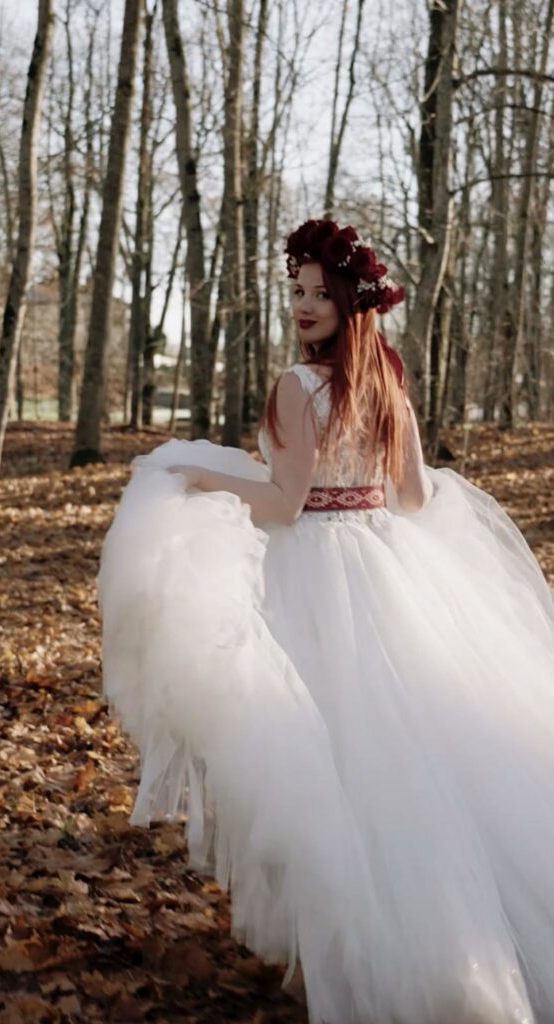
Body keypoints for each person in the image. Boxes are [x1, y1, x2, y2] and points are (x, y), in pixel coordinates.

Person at [99, 219, 554, 1024]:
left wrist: (198, 475)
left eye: (319, 293)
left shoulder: (296, 386)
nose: (303, 305)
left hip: (313, 573)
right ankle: (428, 943)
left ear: (350, 301)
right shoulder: (387, 382)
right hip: (385, 567)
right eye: (296, 290)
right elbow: (412, 497)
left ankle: (363, 956)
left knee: (330, 762)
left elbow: (284, 505)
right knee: (403, 756)